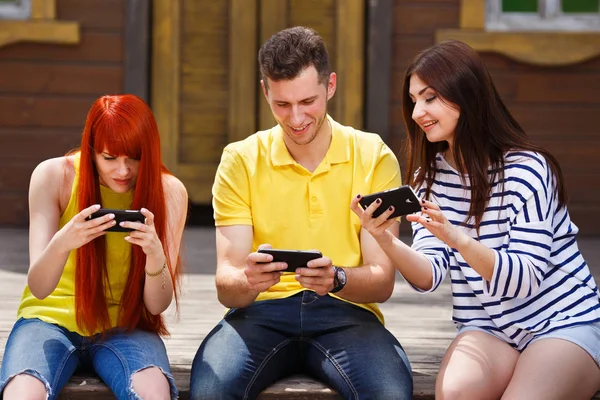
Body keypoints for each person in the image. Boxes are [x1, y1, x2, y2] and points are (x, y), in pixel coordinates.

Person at [350, 39, 600, 400]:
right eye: (414, 99)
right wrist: (386, 240)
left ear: (466, 95)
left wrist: (457, 239)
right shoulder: (429, 178)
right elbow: (427, 277)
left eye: (430, 97)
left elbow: (525, 279)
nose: (418, 111)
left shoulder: (527, 170)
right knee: (455, 392)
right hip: (490, 328)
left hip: (561, 321)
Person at [189, 26, 413, 399]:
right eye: (282, 104)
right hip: (260, 314)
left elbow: (382, 281)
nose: (296, 118)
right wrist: (249, 280)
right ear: (265, 91)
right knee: (210, 390)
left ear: (331, 86)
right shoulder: (240, 160)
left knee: (390, 393)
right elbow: (227, 287)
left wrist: (337, 278)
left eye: (307, 101)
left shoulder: (373, 156)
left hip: (348, 315)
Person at [0, 94, 188, 400]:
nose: (123, 171)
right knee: (22, 393)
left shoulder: (169, 191)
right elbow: (39, 287)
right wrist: (64, 241)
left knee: (154, 393)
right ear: (91, 151)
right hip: (48, 320)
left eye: (134, 157)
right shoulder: (53, 176)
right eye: (109, 158)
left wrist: (155, 255)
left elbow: (157, 305)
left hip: (126, 326)